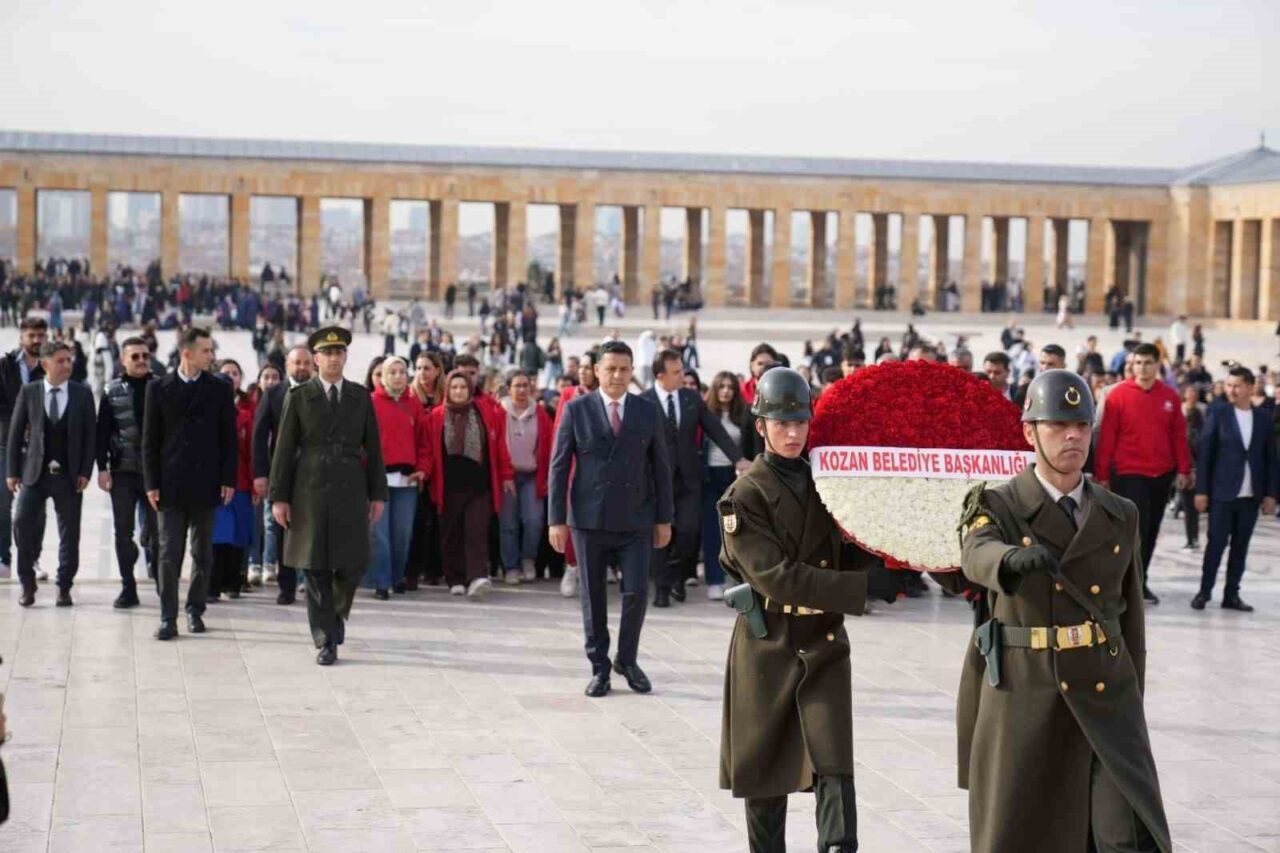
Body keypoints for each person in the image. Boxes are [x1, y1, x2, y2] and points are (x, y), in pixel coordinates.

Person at [954, 368, 1171, 852]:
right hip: (1029, 691)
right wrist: (1010, 559)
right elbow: (976, 552)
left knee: (1124, 836)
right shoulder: (998, 503)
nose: (1072, 436)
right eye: (1056, 425)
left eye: (1082, 426)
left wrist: (1132, 695)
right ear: (1029, 431)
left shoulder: (1119, 513)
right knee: (1025, 834)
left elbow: (1129, 615)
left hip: (1104, 696)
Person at [717, 366, 884, 853]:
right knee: (767, 776)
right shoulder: (742, 497)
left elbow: (846, 541)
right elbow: (777, 577)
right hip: (768, 643)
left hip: (823, 643)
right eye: (781, 423)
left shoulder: (827, 484)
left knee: (834, 765)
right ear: (761, 426)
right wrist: (859, 588)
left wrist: (885, 559)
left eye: (800, 423)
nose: (792, 433)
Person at [548, 340, 673, 697]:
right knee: (593, 596)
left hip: (635, 518)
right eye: (610, 369)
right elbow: (559, 467)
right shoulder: (577, 409)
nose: (617, 375)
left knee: (635, 592)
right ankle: (599, 667)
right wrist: (556, 520)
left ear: (632, 371)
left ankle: (627, 660)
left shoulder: (647, 411)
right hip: (588, 519)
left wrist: (664, 518)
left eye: (623, 369)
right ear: (597, 371)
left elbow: (661, 468)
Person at [270, 326, 388, 665]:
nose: (334, 358)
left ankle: (336, 614)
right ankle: (325, 637)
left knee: (352, 562)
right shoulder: (300, 395)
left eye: (339, 353)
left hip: (351, 485)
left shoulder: (359, 396)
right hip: (310, 487)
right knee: (315, 565)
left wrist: (377, 493)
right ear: (316, 359)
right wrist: (279, 496)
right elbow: (284, 448)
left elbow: (374, 449)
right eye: (328, 353)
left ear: (345, 357)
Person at [143, 327, 238, 640]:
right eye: (206, 351)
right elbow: (149, 441)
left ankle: (195, 609)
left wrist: (228, 478)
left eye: (211, 351)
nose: (211, 356)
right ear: (187, 353)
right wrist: (151, 483)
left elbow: (228, 439)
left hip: (207, 483)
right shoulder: (158, 388)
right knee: (169, 553)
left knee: (202, 552)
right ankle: (167, 616)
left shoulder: (219, 388)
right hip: (170, 484)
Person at [643, 349, 748, 607]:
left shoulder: (691, 398)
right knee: (659, 534)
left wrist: (738, 458)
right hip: (657, 481)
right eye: (676, 372)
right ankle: (661, 588)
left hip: (689, 480)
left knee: (689, 532)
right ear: (660, 376)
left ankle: (678, 576)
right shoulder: (643, 402)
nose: (683, 375)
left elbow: (716, 429)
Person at [1094, 343, 1191, 604]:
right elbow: (1107, 438)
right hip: (1128, 473)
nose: (1142, 368)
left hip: (1161, 475)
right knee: (1134, 531)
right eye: (1138, 362)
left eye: (1148, 362)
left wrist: (1183, 468)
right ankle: (1126, 584)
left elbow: (1179, 435)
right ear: (1132, 365)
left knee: (1151, 530)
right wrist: (1102, 474)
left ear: (1157, 365)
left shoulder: (1169, 396)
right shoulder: (1118, 395)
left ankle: (1141, 580)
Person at [6, 341, 95, 608]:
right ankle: (27, 581)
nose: (67, 365)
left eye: (69, 360)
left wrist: (85, 471)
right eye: (60, 360)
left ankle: (64, 585)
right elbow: (15, 433)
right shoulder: (29, 391)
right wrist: (12, 471)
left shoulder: (82, 394)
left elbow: (90, 436)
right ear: (45, 364)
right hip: (34, 473)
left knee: (70, 532)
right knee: (22, 522)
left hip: (69, 475)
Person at [1192, 366, 1279, 612]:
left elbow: (1271, 458)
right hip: (1222, 493)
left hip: (1250, 496)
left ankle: (1232, 594)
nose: (1231, 390)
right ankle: (1204, 592)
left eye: (1237, 385)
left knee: (1240, 548)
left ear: (1250, 387)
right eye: (1229, 385)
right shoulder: (1218, 413)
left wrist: (1272, 494)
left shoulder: (1263, 417)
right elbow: (1205, 454)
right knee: (1215, 545)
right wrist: (1201, 491)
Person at [425, 369, 514, 597]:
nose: (458, 391)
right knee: (451, 532)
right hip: (449, 485)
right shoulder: (435, 416)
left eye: (463, 387)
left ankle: (476, 577)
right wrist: (422, 472)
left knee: (476, 531)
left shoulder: (485, 412)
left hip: (479, 484)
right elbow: (427, 451)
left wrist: (506, 475)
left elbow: (498, 446)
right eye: (454, 387)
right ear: (447, 389)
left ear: (470, 389)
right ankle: (454, 578)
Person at [96, 336, 158, 608]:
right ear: (123, 360)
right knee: (123, 532)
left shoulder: (162, 387)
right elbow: (102, 432)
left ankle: (162, 585)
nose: (142, 361)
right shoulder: (111, 391)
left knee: (158, 533)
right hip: (123, 472)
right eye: (135, 357)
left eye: (145, 356)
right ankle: (128, 587)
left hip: (156, 474)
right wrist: (102, 468)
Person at [365, 356, 432, 599]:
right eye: (392, 372)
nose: (397, 376)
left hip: (407, 481)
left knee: (402, 533)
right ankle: (381, 581)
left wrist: (423, 468)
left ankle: (397, 576)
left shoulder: (413, 404)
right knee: (379, 534)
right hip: (378, 480)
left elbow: (425, 443)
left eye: (402, 371)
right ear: (382, 376)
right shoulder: (370, 402)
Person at [252, 345, 313, 604]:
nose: (301, 367)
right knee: (282, 529)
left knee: (312, 530)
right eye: (296, 362)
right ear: (287, 366)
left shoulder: (320, 392)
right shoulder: (274, 393)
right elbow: (258, 436)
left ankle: (310, 582)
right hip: (282, 472)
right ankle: (286, 586)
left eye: (306, 363)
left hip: (313, 474)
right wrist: (261, 474)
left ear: (314, 365)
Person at [700, 371, 761, 602]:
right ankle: (714, 580)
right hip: (709, 476)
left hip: (735, 477)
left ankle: (737, 577)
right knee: (711, 529)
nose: (726, 391)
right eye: (721, 386)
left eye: (730, 387)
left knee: (735, 529)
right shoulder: (705, 413)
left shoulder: (743, 414)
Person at [0, 317, 48, 579]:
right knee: (2, 503)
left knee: (35, 508)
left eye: (41, 335)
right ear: (22, 337)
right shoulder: (5, 366)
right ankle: (3, 557)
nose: (37, 340)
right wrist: (21, 423)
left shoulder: (50, 367)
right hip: (6, 444)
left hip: (38, 449)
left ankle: (32, 560)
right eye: (32, 335)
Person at [209, 359, 257, 602]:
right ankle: (212, 583)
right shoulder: (204, 418)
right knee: (217, 535)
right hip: (212, 486)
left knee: (239, 535)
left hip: (240, 485)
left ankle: (234, 581)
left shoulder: (245, 417)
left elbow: (251, 452)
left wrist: (255, 481)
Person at [499, 370, 551, 585]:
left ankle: (528, 559)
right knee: (508, 523)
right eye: (517, 385)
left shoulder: (539, 412)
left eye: (525, 385)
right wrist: (504, 474)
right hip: (507, 476)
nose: (521, 390)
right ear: (509, 388)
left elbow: (548, 446)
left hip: (532, 475)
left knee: (533, 520)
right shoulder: (499, 411)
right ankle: (510, 567)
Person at [1178, 384, 1205, 551]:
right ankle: (1192, 538)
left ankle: (1192, 538)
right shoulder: (1193, 433)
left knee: (1189, 507)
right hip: (1188, 469)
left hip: (1189, 470)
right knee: (1190, 507)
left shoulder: (1192, 434)